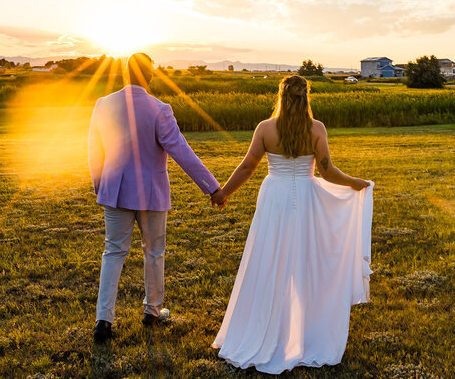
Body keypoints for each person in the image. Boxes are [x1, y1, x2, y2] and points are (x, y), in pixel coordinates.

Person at [211, 74, 374, 374]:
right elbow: (327, 171)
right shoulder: (316, 129)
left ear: (281, 97)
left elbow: (248, 166)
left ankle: (264, 328)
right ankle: (302, 331)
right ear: (306, 97)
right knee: (304, 262)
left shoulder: (266, 128)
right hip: (305, 198)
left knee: (269, 259)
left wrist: (224, 193)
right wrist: (355, 183)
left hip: (275, 196)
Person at [88, 52, 221, 344]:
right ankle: (152, 311)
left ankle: (103, 321)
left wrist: (102, 187)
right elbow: (181, 151)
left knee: (113, 253)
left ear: (125, 74)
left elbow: (94, 151)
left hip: (114, 192)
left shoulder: (103, 104)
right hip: (151, 193)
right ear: (150, 75)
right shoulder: (160, 109)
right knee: (154, 251)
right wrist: (211, 187)